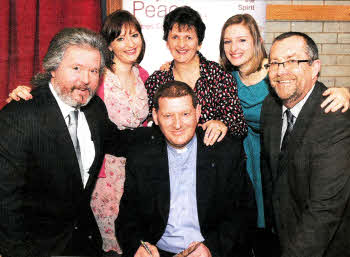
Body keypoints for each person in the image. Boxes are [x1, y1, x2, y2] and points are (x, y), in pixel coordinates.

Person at [219, 14, 350, 231]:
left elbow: (308, 90)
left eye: (242, 40)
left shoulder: (277, 74)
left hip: (279, 159)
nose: (234, 48)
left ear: (257, 41)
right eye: (227, 41)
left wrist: (346, 94)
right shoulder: (225, 78)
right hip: (247, 159)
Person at [0, 27, 124, 257]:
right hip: (37, 249)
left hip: (84, 244)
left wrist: (183, 129)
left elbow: (122, 141)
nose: (86, 80)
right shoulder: (19, 115)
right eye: (76, 68)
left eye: (94, 70)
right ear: (53, 68)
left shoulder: (95, 109)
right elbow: (5, 201)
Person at [116, 80, 257, 257]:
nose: (177, 125)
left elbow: (244, 213)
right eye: (168, 116)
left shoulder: (226, 152)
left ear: (198, 113)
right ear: (156, 116)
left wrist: (211, 248)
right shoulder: (141, 156)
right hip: (159, 252)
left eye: (185, 114)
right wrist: (138, 247)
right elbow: (127, 218)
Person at [261, 32, 350, 257]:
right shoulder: (270, 107)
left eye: (292, 61)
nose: (281, 71)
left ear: (314, 67)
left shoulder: (334, 118)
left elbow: (325, 210)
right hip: (281, 237)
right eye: (275, 63)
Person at [90, 10, 149, 255]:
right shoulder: (98, 76)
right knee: (112, 242)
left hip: (139, 169)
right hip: (107, 173)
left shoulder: (144, 75)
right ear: (110, 45)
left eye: (134, 35)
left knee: (137, 238)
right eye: (121, 38)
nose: (130, 43)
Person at [145, 6, 247, 146]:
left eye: (188, 37)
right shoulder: (156, 81)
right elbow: (149, 124)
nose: (181, 44)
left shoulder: (219, 76)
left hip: (212, 160)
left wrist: (222, 124)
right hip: (169, 160)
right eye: (175, 37)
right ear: (167, 42)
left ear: (199, 43)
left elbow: (240, 126)